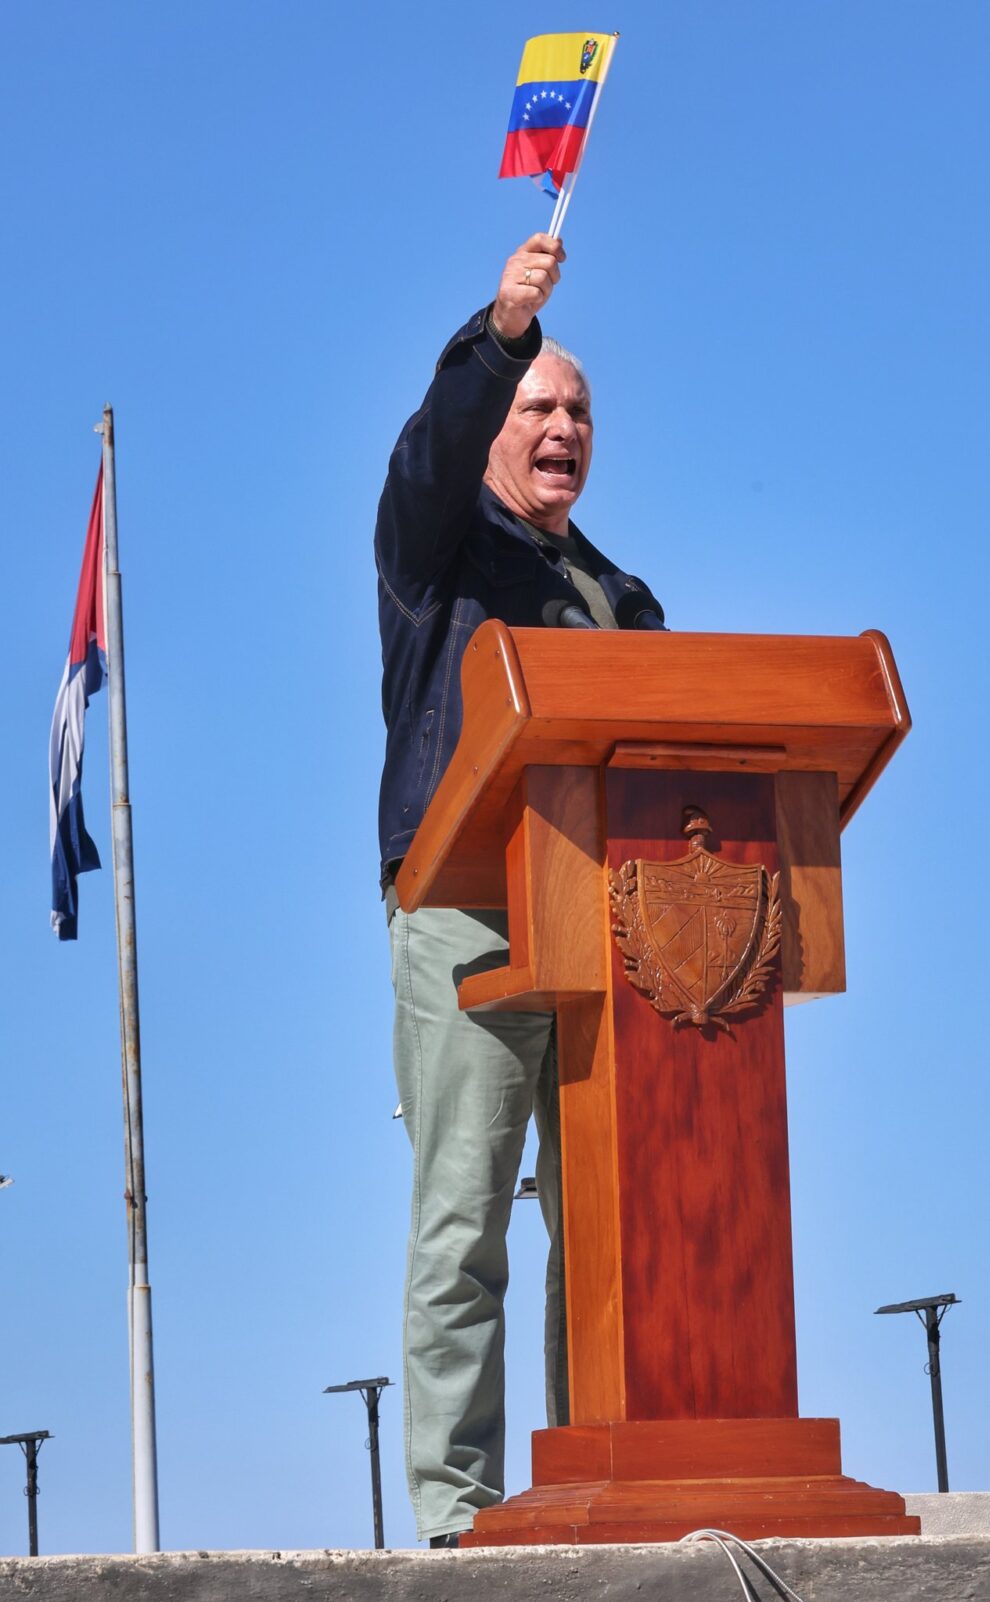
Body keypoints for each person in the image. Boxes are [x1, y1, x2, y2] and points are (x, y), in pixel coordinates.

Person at [375, 233, 665, 1545]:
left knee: (603, 1219)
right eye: (538, 405)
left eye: (579, 412)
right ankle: (459, 1514)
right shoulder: (433, 549)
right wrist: (500, 334)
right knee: (468, 1215)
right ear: (497, 422)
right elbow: (432, 449)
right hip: (469, 904)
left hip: (606, 918)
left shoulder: (618, 594)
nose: (562, 428)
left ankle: (593, 1483)